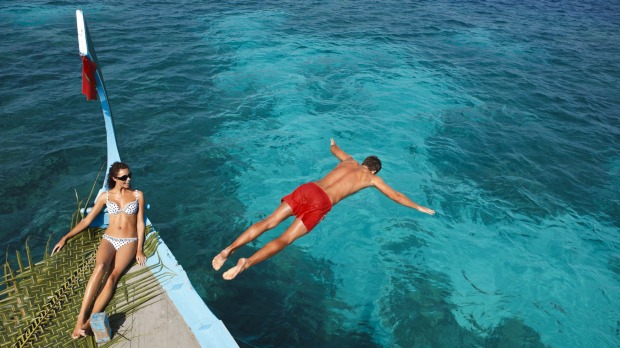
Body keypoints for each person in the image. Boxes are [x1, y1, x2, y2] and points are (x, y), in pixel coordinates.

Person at [212, 138, 435, 280]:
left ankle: (228, 250)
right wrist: (418, 206)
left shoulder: (348, 161)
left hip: (309, 188)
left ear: (364, 162)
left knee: (269, 222)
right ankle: (246, 263)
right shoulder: (371, 179)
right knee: (285, 239)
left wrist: (331, 143)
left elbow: (334, 149)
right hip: (322, 202)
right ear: (374, 171)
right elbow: (395, 195)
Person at [51, 162, 147, 339]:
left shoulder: (137, 195)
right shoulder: (105, 196)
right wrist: (65, 237)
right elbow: (87, 221)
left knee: (112, 277)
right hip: (109, 239)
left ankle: (88, 324)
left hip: (129, 241)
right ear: (114, 178)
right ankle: (80, 318)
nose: (128, 179)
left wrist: (139, 249)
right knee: (100, 267)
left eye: (129, 175)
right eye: (124, 177)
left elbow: (140, 223)